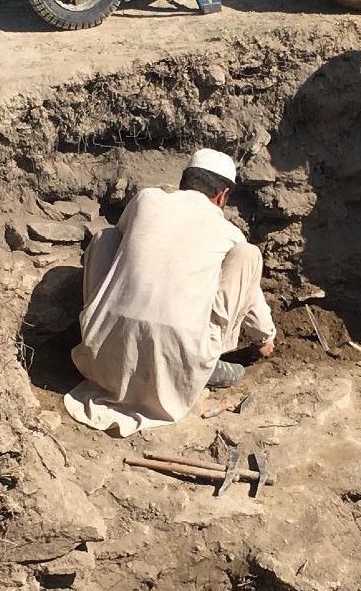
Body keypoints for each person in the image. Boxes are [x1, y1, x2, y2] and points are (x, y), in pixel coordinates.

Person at [66, 149, 277, 431]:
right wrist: (265, 337)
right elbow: (249, 297)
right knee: (248, 255)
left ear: (184, 181)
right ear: (222, 195)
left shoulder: (146, 199)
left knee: (106, 238)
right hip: (177, 363)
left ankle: (100, 325)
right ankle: (206, 366)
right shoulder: (228, 233)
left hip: (104, 353)